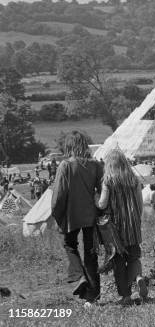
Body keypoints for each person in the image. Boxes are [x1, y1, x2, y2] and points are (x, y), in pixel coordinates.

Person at [51, 130, 103, 305]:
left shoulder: (65, 165)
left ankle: (80, 277)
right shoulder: (96, 165)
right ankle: (92, 297)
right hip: (90, 215)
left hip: (71, 215)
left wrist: (57, 214)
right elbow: (102, 192)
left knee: (69, 245)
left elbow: (58, 195)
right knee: (91, 253)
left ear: (70, 146)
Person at [96, 149, 147, 306]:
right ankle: (138, 277)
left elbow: (102, 204)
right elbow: (140, 203)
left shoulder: (108, 181)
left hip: (115, 230)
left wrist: (94, 197)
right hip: (132, 226)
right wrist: (136, 220)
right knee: (134, 257)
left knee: (118, 262)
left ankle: (125, 296)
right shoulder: (133, 179)